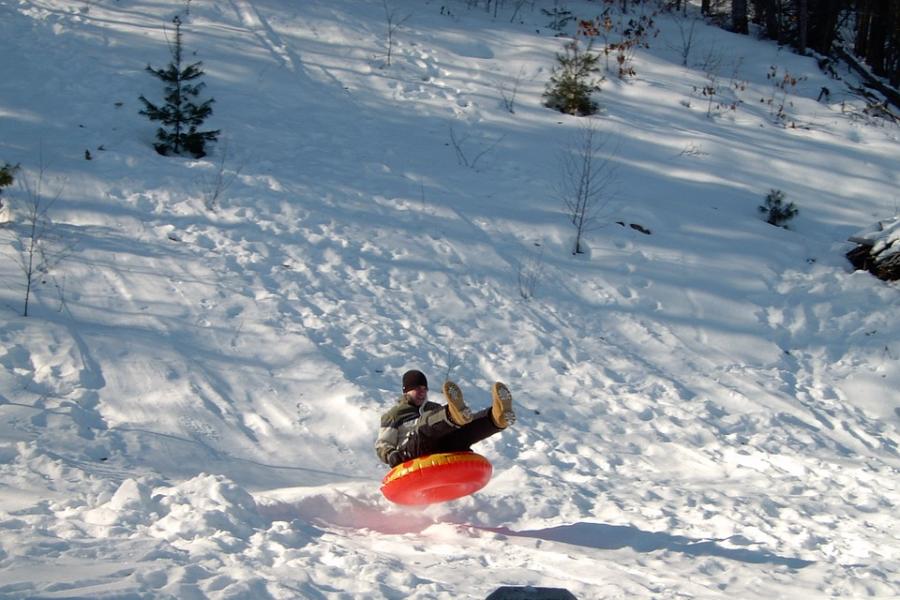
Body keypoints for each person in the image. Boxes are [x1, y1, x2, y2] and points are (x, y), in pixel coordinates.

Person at [375, 369, 515, 468]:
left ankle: (496, 418)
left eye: (425, 389)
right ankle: (452, 415)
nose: (422, 392)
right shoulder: (394, 415)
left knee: (461, 431)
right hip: (410, 455)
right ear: (406, 391)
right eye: (417, 388)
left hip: (438, 451)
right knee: (424, 427)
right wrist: (391, 455)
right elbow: (383, 444)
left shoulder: (433, 407)